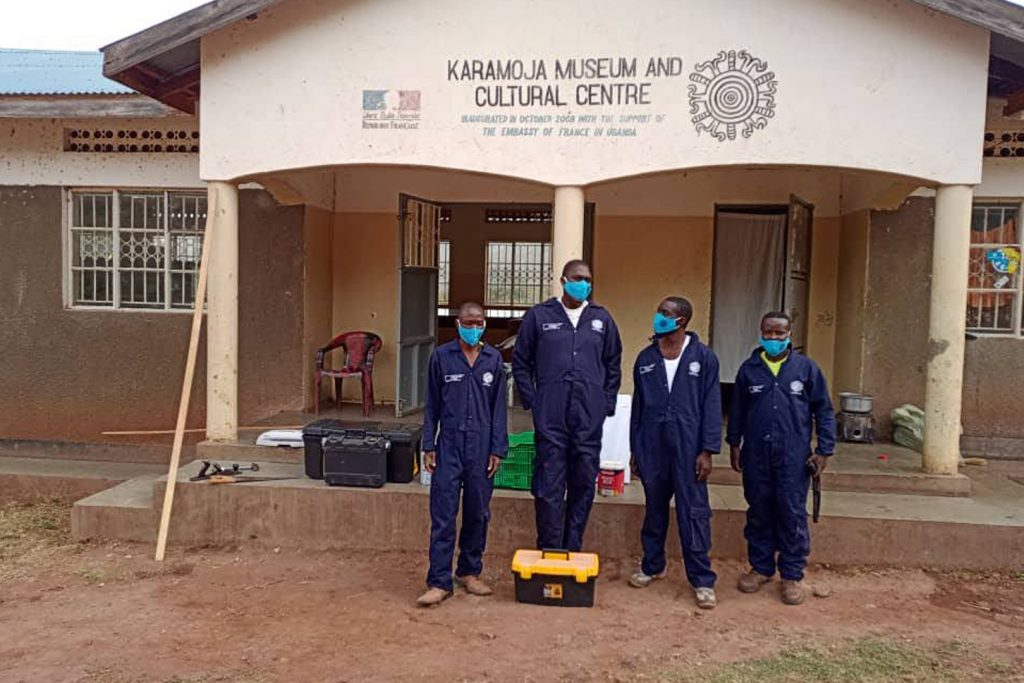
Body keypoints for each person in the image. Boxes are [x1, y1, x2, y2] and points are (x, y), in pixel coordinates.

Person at [512, 260, 622, 551]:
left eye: (588, 279)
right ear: (563, 280)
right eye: (577, 278)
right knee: (549, 485)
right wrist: (534, 401)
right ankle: (549, 548)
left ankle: (573, 547)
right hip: (551, 416)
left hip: (588, 417)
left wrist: (605, 404)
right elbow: (521, 363)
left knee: (584, 482)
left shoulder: (602, 319)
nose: (583, 284)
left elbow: (613, 365)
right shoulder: (539, 316)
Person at [727, 311, 836, 606]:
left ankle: (791, 573)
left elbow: (824, 411)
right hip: (756, 455)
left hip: (793, 456)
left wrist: (824, 451)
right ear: (760, 333)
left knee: (791, 513)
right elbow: (736, 411)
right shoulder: (748, 370)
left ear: (790, 335)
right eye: (768, 333)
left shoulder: (806, 369)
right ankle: (761, 567)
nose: (774, 338)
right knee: (759, 510)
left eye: (780, 333)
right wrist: (734, 444)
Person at [628, 296, 721, 609]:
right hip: (653, 447)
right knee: (654, 510)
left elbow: (712, 406)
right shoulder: (645, 358)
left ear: (681, 320)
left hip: (689, 448)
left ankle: (702, 579)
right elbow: (638, 410)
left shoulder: (704, 358)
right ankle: (651, 565)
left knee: (693, 512)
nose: (659, 317)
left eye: (666, 313)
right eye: (659, 311)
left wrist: (707, 450)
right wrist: (635, 450)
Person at [417, 302, 507, 607]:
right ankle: (439, 581)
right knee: (443, 514)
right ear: (457, 323)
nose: (473, 327)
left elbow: (499, 410)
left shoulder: (493, 359)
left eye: (479, 322)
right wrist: (428, 444)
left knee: (478, 512)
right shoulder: (442, 357)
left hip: (482, 448)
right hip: (449, 445)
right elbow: (431, 405)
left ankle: (469, 572)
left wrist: (498, 448)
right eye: (468, 322)